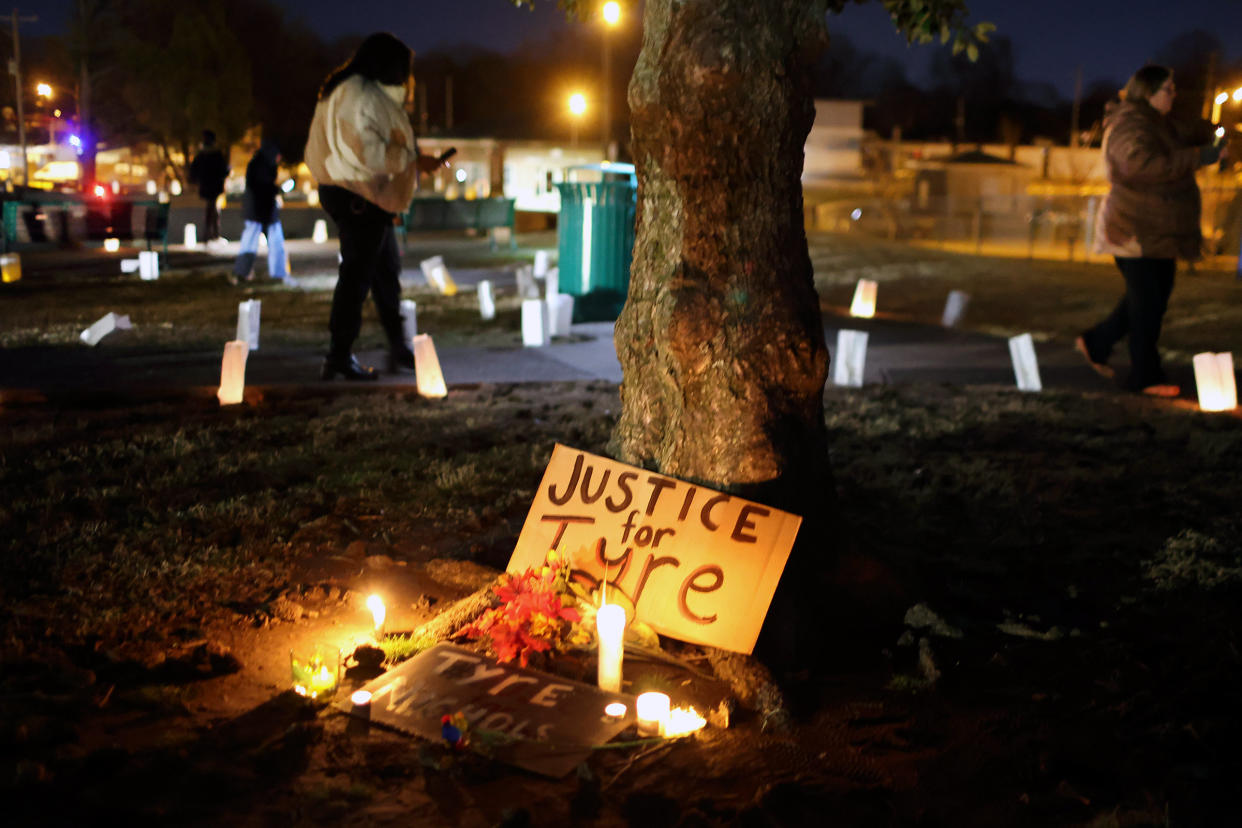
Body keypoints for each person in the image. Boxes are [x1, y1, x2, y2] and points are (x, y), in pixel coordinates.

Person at [1076, 64, 1227, 397]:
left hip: (1156, 231)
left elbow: (1188, 131)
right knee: (1146, 306)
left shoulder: (1158, 123)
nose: (1174, 95)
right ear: (1148, 91)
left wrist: (1214, 134)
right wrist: (1199, 156)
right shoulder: (1130, 124)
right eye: (1168, 89)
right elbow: (1140, 166)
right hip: (1134, 230)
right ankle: (1145, 376)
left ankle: (1095, 343)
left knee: (1148, 301)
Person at [303, 32, 443, 381]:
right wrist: (412, 161)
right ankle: (338, 354)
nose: (407, 79)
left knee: (383, 272)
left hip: (359, 195)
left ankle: (396, 347)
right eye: (405, 70)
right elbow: (367, 151)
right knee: (358, 275)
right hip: (358, 195)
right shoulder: (360, 94)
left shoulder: (347, 89)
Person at [232, 138, 292, 285]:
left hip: (260, 209)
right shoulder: (263, 165)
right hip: (259, 209)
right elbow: (263, 187)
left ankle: (244, 272)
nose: (279, 158)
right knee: (258, 241)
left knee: (257, 241)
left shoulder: (259, 163)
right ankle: (247, 272)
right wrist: (278, 190)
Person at [187, 130, 229, 243]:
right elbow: (223, 169)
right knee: (212, 207)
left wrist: (196, 179)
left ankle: (210, 233)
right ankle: (212, 233)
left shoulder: (202, 154)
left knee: (212, 207)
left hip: (207, 184)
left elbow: (194, 169)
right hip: (214, 185)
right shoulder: (216, 154)